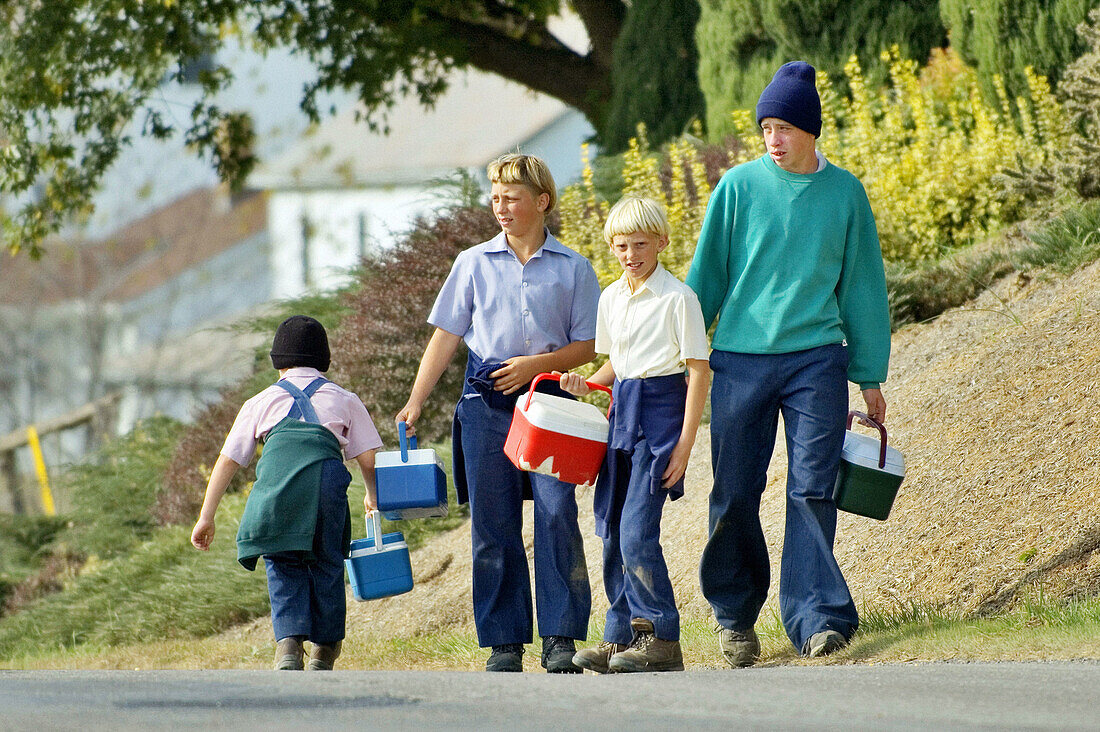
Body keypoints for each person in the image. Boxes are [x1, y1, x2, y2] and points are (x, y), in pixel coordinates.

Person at [685, 60, 891, 666]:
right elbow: (706, 279)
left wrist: (869, 372)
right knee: (734, 490)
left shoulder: (845, 193)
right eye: (766, 127)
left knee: (812, 489)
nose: (772, 139)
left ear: (811, 131)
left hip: (817, 362)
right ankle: (734, 618)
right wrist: (684, 356)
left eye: (784, 127)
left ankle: (817, 619)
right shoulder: (738, 188)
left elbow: (861, 287)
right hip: (739, 361)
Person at [395, 153, 600, 673]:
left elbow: (588, 345)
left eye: (511, 197)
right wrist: (416, 401)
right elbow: (445, 335)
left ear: (542, 202)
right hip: (485, 403)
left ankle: (560, 638)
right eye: (495, 197)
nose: (500, 207)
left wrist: (538, 364)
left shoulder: (574, 267)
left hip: (551, 402)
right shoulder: (471, 262)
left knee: (557, 515)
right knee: (493, 522)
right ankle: (505, 642)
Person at [558, 196, 710, 673]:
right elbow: (615, 368)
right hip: (620, 424)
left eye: (641, 244)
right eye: (621, 246)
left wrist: (685, 446)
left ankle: (661, 638)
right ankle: (620, 639)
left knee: (636, 533)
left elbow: (699, 371)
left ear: (662, 242)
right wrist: (588, 384)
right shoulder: (609, 298)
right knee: (610, 534)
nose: (631, 254)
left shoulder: (679, 298)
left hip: (661, 424)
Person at [191, 315, 382, 671]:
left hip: (277, 487)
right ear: (324, 360)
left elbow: (229, 460)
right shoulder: (344, 398)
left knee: (282, 563)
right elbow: (368, 459)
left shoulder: (259, 401)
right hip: (327, 484)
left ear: (278, 362)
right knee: (327, 564)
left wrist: (206, 515)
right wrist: (372, 495)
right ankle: (324, 650)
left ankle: (289, 646)